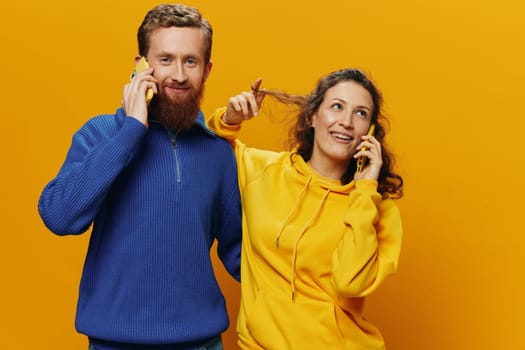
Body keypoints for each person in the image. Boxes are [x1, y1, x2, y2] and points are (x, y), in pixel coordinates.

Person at [38, 4, 241, 350]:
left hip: (201, 342)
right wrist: (131, 131)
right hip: (114, 342)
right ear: (141, 65)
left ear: (206, 70)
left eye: (190, 61)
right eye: (165, 59)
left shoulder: (218, 152)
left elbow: (240, 254)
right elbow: (59, 216)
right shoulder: (102, 133)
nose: (178, 74)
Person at [206, 68, 404, 349]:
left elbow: (350, 283)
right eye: (337, 106)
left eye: (361, 114)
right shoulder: (263, 171)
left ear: (370, 132)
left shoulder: (377, 209)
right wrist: (229, 118)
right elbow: (206, 148)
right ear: (312, 116)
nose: (346, 122)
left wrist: (364, 191)